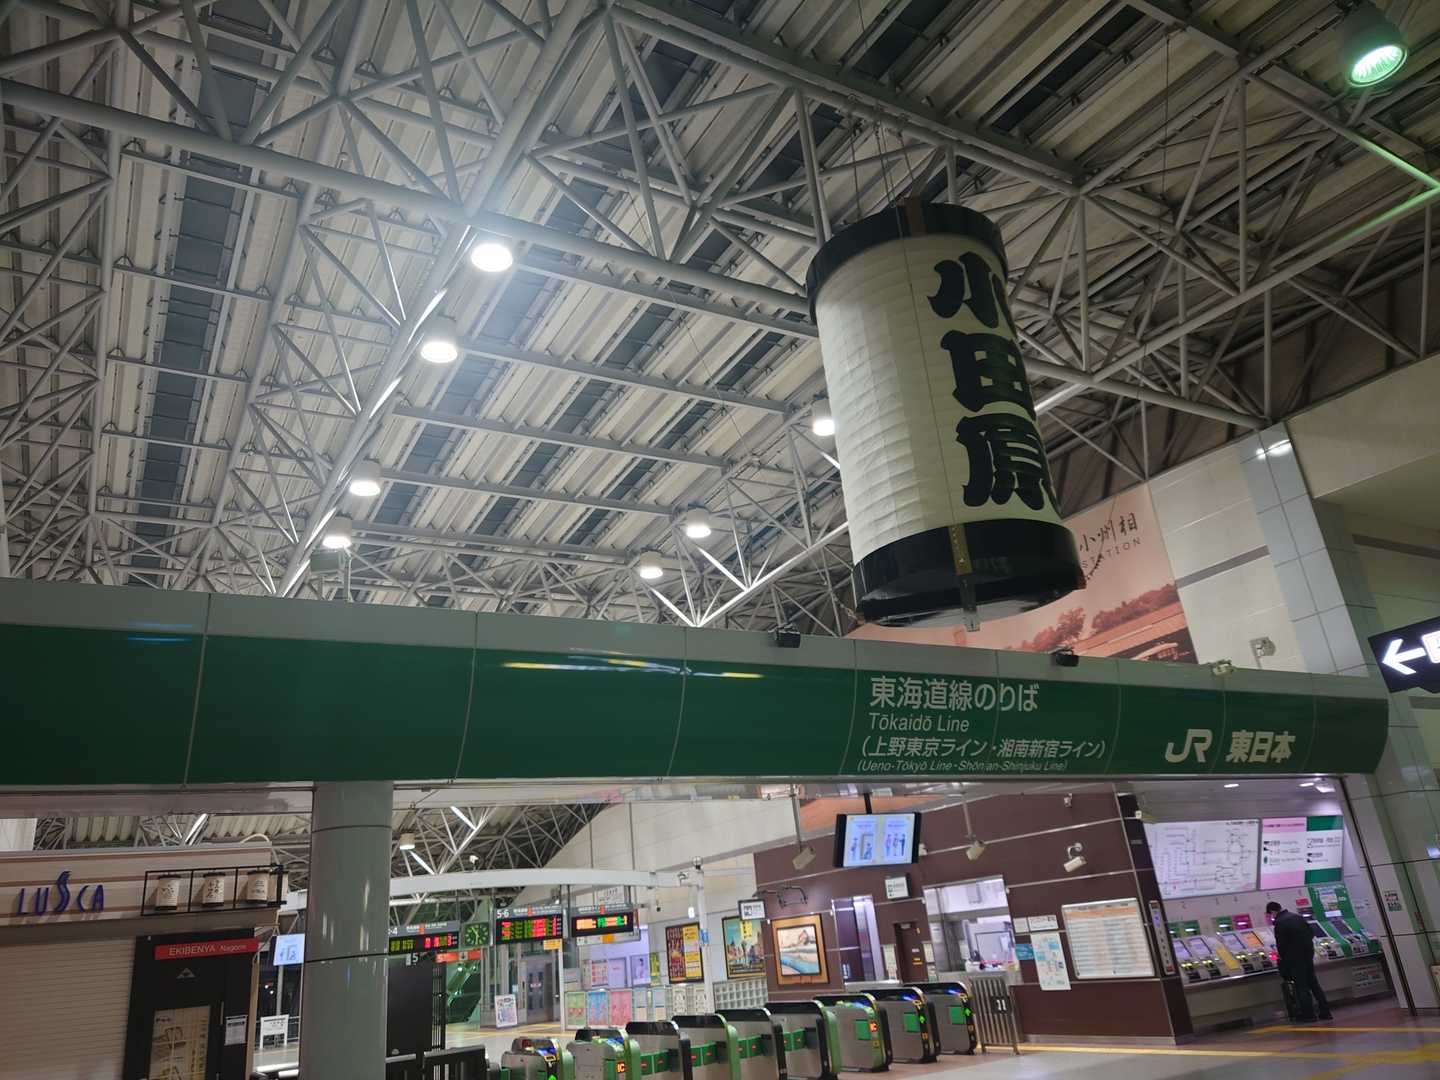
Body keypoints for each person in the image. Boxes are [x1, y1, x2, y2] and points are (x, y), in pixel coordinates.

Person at [1267, 901, 1333, 1022]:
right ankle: (1326, 1012)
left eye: (1271, 914)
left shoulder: (1280, 923)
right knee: (1314, 984)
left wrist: (1282, 959)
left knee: (1301, 986)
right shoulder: (1297, 917)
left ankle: (1309, 1015)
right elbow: (1311, 934)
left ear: (1273, 911)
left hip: (1294, 958)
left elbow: (1281, 945)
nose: (1272, 917)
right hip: (1308, 954)